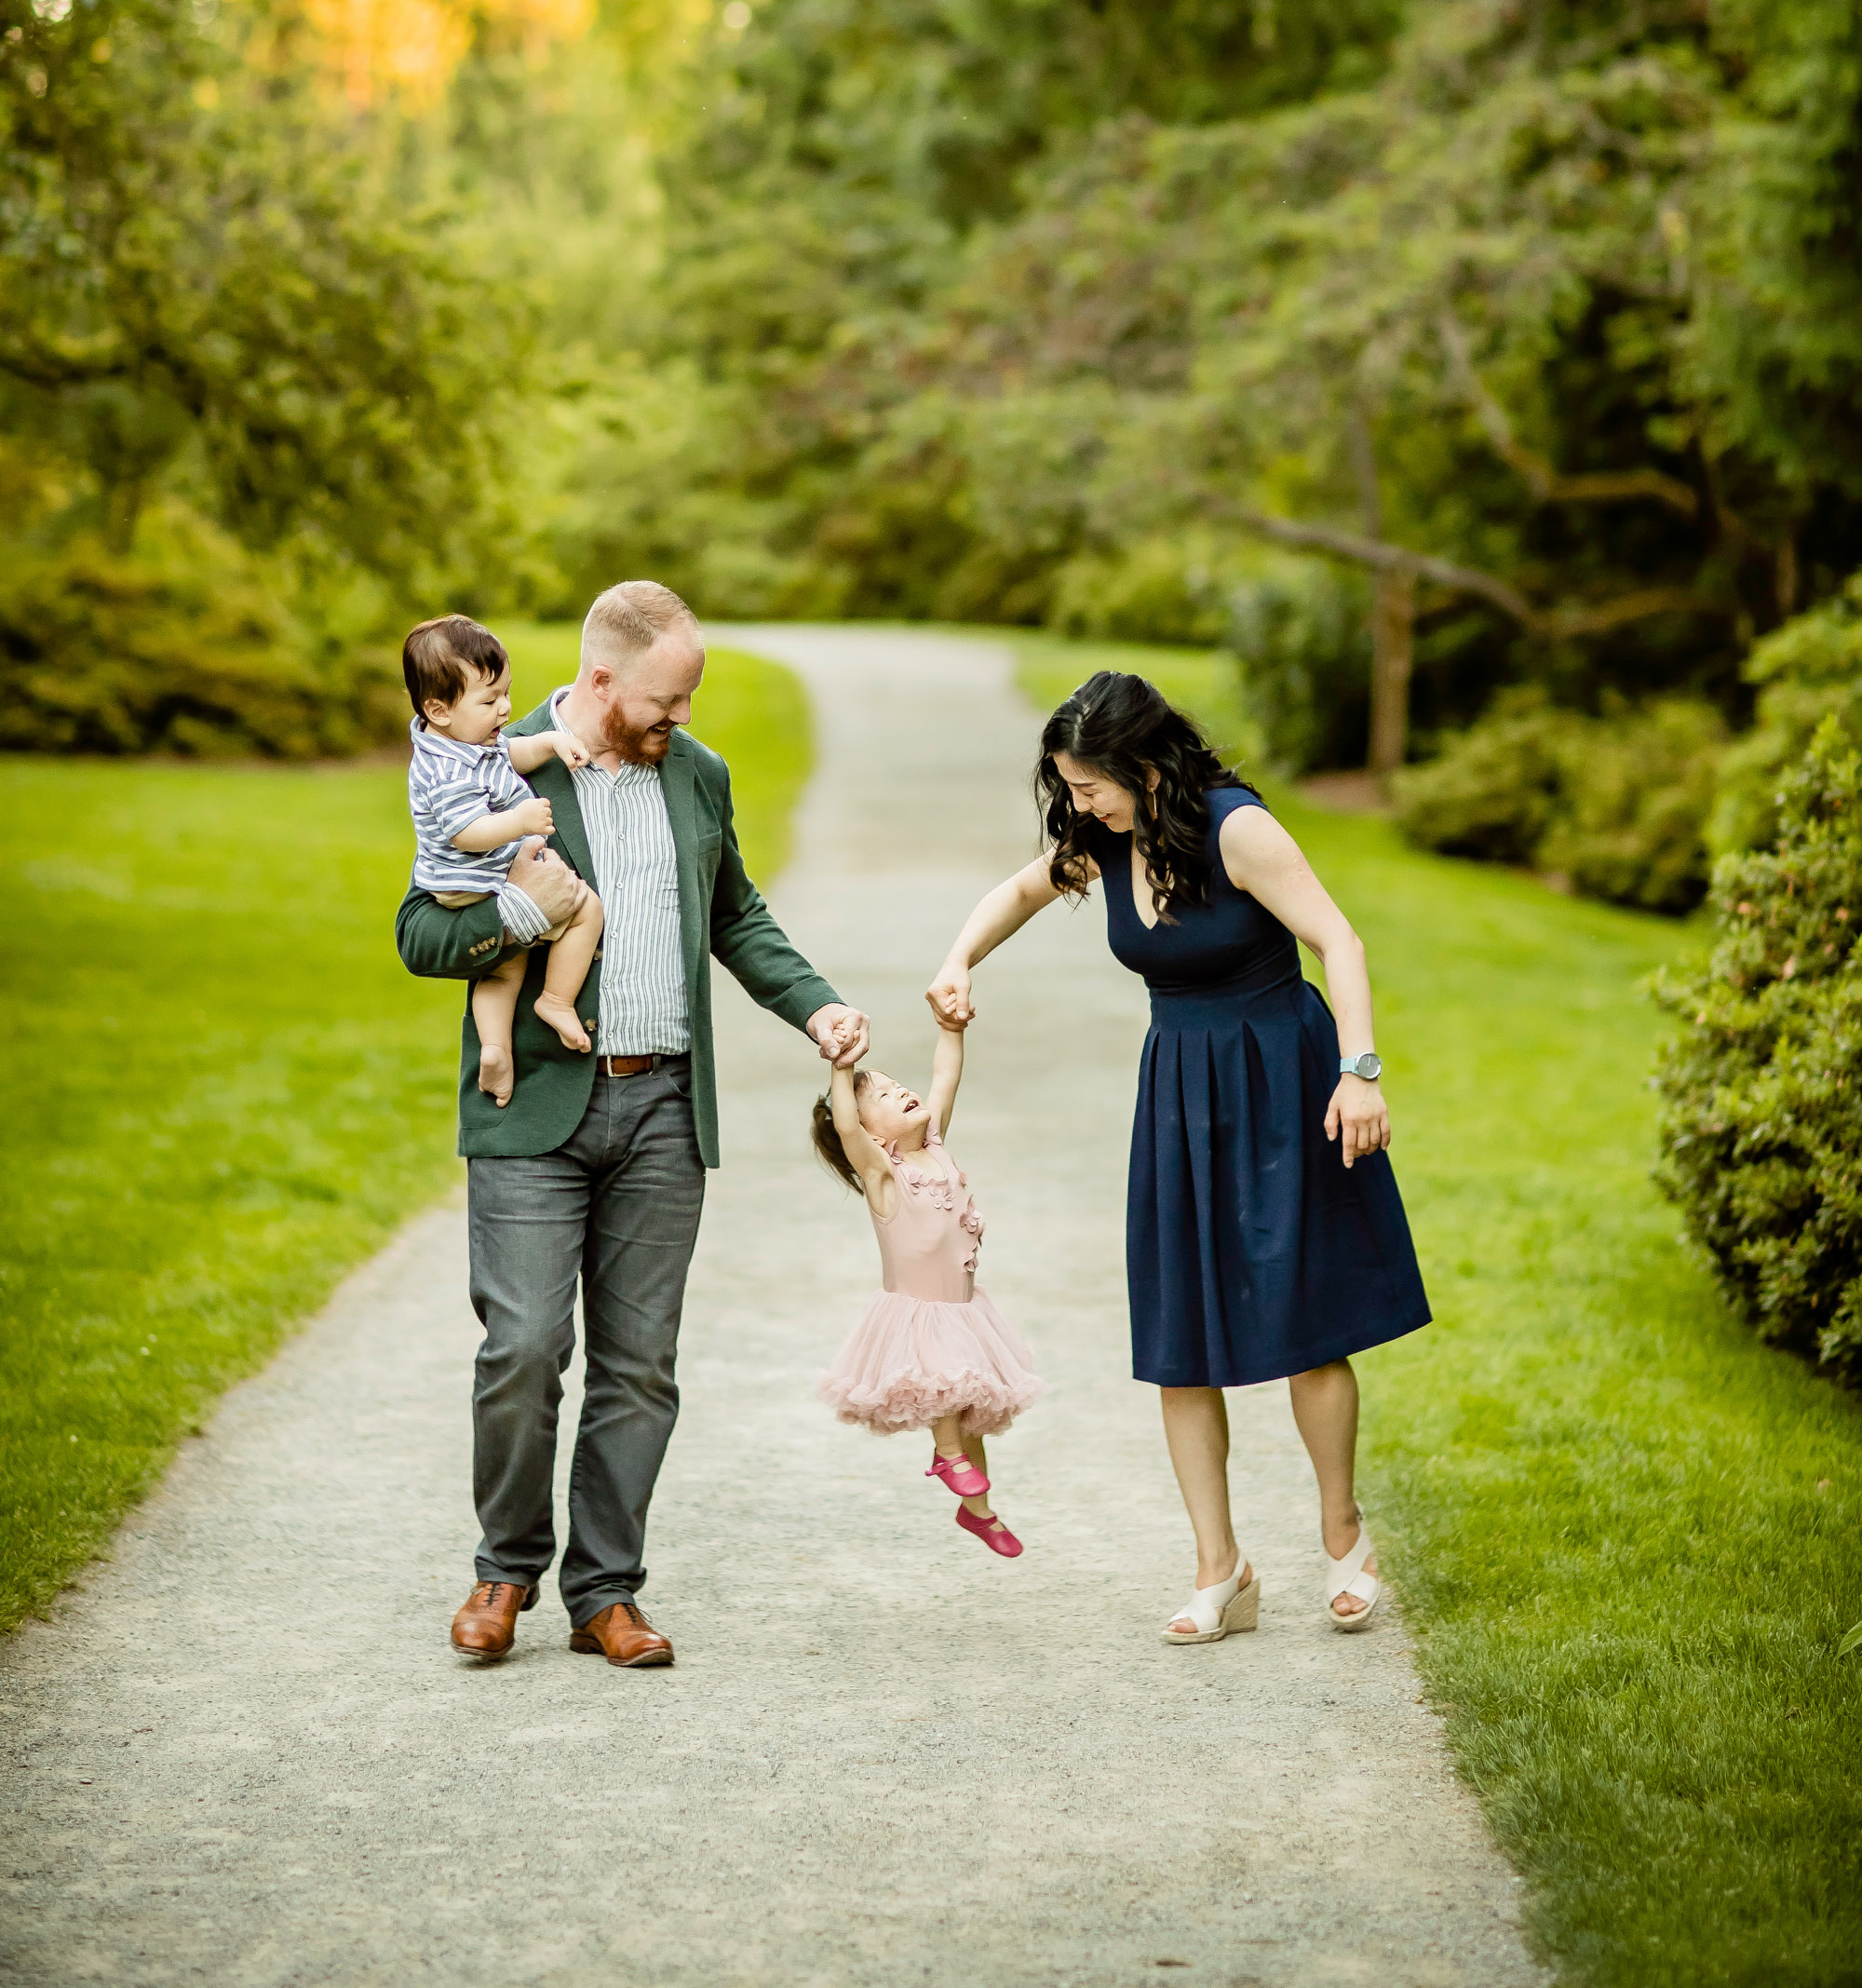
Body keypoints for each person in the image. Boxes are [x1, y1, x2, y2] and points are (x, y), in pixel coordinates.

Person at [397, 579, 870, 1670]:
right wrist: (532, 912)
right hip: (532, 1113)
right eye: (666, 699)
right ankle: (503, 1571)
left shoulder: (695, 775)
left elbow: (735, 915)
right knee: (522, 1348)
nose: (683, 719)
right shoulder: (490, 762)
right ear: (600, 681)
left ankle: (604, 1593)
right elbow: (423, 932)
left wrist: (816, 1005)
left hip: (664, 1107)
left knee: (639, 1366)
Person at [925, 670, 1430, 1644]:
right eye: (1069, 791)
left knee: (1306, 1323)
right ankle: (1219, 1569)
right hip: (1179, 1095)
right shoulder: (1103, 846)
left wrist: (1357, 1072)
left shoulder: (1234, 828)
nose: (1077, 807)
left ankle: (1343, 1539)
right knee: (1179, 1338)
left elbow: (1338, 939)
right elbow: (1018, 889)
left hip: (1282, 1079)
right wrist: (958, 960)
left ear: (1144, 767)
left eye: (1087, 787)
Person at [814, 1021, 1041, 1559]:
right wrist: (841, 1070)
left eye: (898, 1085)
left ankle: (977, 1512)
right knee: (947, 1380)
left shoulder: (935, 1148)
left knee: (971, 1415)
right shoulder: (882, 1172)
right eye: (886, 1098)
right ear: (873, 1134)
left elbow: (946, 1074)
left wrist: (951, 1028)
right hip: (918, 1313)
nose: (903, 1093)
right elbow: (845, 1127)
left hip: (963, 1309)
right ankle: (944, 1455)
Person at [401, 614, 605, 1105]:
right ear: (439, 709)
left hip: (479, 879)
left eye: (506, 693)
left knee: (502, 966)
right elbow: (468, 833)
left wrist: (553, 742)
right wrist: (521, 821)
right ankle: (556, 1001)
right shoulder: (443, 768)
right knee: (587, 909)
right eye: (490, 700)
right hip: (475, 878)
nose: (506, 708)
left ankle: (495, 1051)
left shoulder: (467, 744)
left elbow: (514, 753)